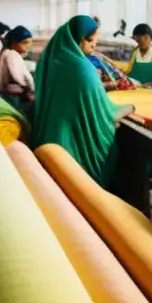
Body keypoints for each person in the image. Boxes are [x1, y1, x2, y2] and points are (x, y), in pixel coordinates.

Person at [33, 15, 134, 188]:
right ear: (79, 40)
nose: (94, 45)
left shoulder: (51, 59)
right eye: (90, 41)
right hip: (71, 146)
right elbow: (104, 113)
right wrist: (130, 107)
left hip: (50, 137)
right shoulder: (82, 67)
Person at [0, 26, 35, 113]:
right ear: (14, 43)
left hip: (6, 94)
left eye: (30, 42)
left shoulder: (6, 52)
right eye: (25, 42)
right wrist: (31, 88)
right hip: (13, 96)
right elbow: (19, 77)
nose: (29, 46)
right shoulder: (12, 55)